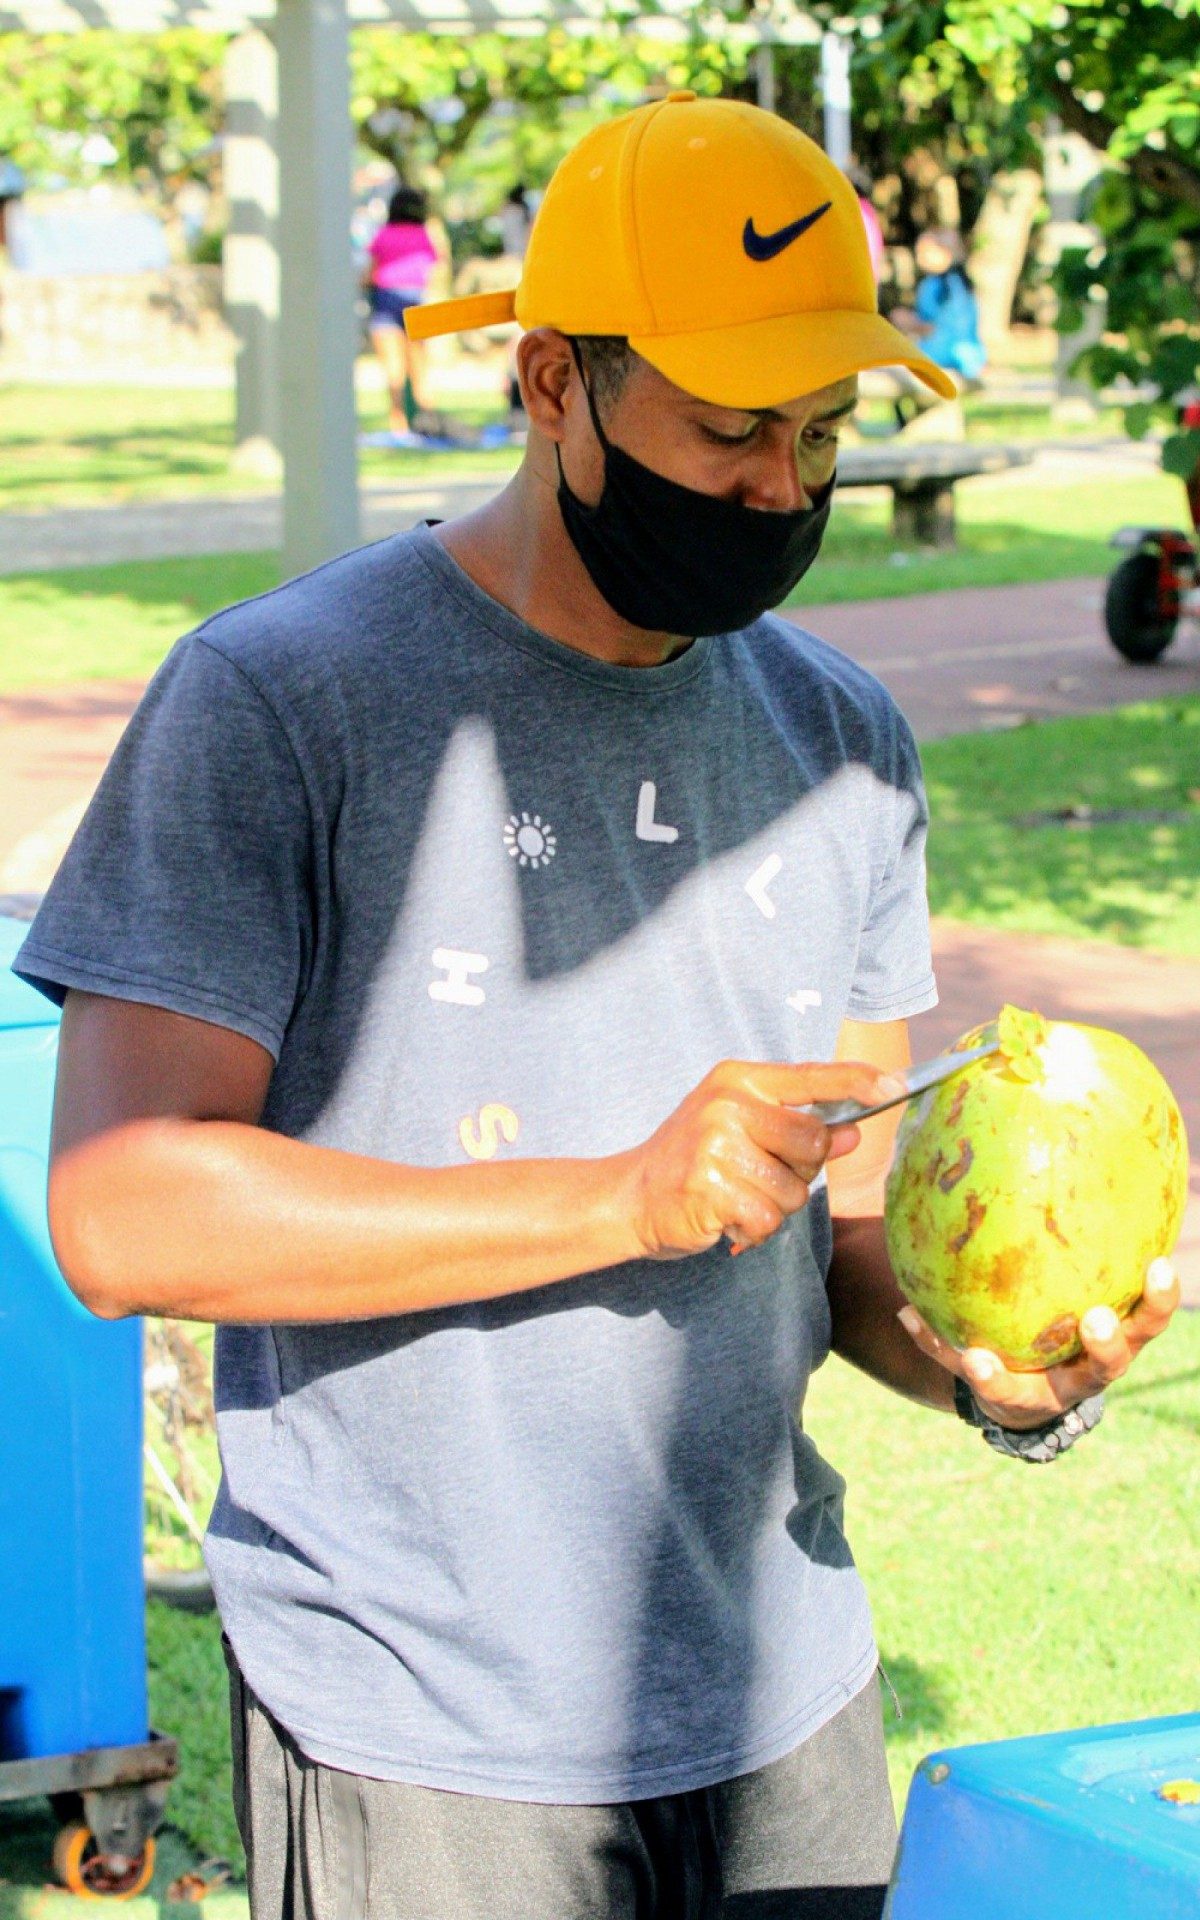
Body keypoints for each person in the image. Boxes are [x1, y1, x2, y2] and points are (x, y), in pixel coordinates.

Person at [17, 94, 1177, 1920]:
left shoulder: (842, 746)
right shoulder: (278, 703)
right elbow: (118, 1207)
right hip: (427, 1723)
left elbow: (849, 1230)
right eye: (728, 432)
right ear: (552, 382)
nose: (783, 492)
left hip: (784, 1691)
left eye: (822, 433)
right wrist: (617, 1195)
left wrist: (999, 1373)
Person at [362, 183, 441, 440]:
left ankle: (399, 426)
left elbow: (370, 272)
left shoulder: (383, 235)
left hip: (385, 300)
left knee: (392, 369)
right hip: (416, 302)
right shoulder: (423, 235)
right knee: (420, 367)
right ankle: (427, 420)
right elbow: (432, 268)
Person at [891, 226, 986, 383]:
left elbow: (931, 328)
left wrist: (905, 321)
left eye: (925, 253)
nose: (919, 259)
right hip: (972, 356)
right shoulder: (963, 284)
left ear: (945, 253)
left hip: (942, 353)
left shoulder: (934, 286)